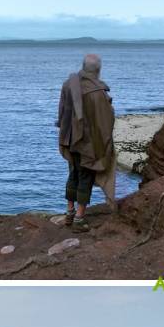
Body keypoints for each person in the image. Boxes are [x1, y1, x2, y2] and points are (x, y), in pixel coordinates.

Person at [57, 54, 117, 232]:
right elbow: (106, 121)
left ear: (83, 67)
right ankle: (80, 218)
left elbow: (62, 112)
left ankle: (69, 212)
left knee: (73, 173)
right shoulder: (98, 92)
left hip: (69, 138)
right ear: (98, 70)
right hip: (87, 142)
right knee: (86, 176)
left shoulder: (69, 84)